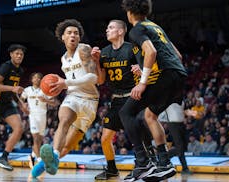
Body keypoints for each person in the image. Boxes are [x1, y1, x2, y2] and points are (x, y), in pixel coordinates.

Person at [120, 0, 188, 181]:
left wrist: (142, 82)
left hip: (166, 76)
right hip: (179, 75)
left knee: (126, 112)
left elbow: (151, 52)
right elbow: (178, 56)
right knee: (149, 116)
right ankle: (164, 163)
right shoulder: (156, 27)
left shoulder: (137, 29)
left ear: (129, 12)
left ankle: (143, 162)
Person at [31, 19, 99, 177]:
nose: (73, 35)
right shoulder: (63, 59)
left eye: (76, 33)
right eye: (69, 33)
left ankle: (50, 163)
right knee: (64, 119)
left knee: (67, 147)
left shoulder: (83, 50)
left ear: (79, 37)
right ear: (62, 37)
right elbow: (63, 84)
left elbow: (94, 78)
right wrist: (47, 91)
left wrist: (65, 83)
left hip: (90, 100)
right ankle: (53, 154)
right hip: (74, 95)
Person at [91, 19, 155, 180]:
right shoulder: (104, 52)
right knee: (105, 138)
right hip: (116, 99)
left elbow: (147, 67)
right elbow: (100, 80)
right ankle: (112, 169)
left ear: (120, 31)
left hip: (133, 97)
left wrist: (140, 70)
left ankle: (151, 161)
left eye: (111, 27)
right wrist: (96, 62)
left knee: (139, 133)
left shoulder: (132, 48)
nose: (107, 30)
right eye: (107, 27)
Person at [0, 44, 27, 171]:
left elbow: (13, 91)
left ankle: (3, 157)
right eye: (17, 53)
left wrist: (21, 105)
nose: (19, 56)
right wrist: (12, 88)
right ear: (11, 55)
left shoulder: (19, 70)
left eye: (21, 54)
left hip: (7, 103)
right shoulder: (6, 67)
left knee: (19, 128)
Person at [20, 72, 59, 167]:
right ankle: (39, 160)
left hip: (42, 116)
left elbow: (56, 103)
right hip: (32, 115)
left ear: (41, 80)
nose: (36, 79)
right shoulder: (27, 90)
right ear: (31, 79)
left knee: (39, 139)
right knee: (36, 138)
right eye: (35, 77)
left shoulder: (45, 90)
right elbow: (20, 100)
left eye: (39, 78)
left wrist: (46, 100)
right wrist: (24, 108)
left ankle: (32, 155)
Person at [158, 102, 192, 174]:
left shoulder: (182, 99)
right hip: (173, 124)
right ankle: (185, 168)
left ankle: (163, 159)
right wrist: (163, 121)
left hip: (182, 124)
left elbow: (183, 110)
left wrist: (190, 114)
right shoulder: (169, 98)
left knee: (183, 147)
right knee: (180, 146)